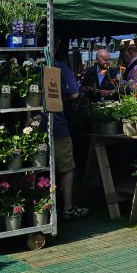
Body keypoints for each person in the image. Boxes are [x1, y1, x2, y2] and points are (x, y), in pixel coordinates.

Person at [52, 41, 89, 221]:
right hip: (57, 124)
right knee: (66, 167)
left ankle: (38, 208)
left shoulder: (31, 66)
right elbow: (74, 94)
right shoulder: (60, 67)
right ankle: (67, 207)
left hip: (32, 124)